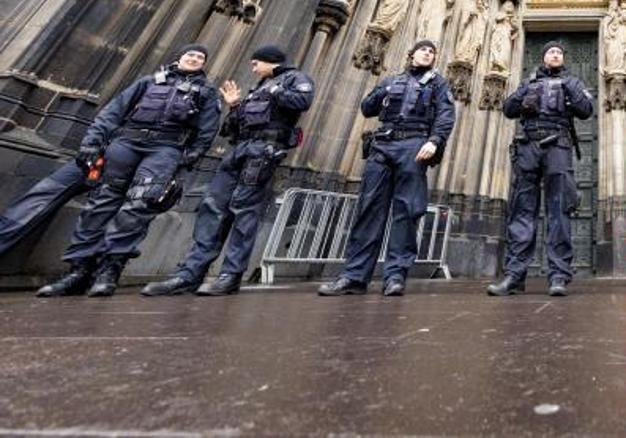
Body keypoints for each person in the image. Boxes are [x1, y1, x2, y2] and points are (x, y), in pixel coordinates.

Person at [37, 45, 221, 297]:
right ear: (180, 56)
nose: (195, 58)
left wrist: (191, 155)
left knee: (138, 207)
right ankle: (77, 271)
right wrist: (92, 142)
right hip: (126, 144)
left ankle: (109, 271)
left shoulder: (207, 92)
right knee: (100, 202)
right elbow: (114, 111)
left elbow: (208, 127)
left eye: (201, 57)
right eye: (191, 54)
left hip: (166, 148)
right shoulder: (148, 81)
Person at [142, 45, 314, 296]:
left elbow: (302, 101)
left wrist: (276, 88)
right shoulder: (259, 87)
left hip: (263, 152)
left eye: (256, 63)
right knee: (212, 208)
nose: (253, 68)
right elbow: (239, 125)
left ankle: (230, 276)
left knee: (244, 212)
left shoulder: (295, 78)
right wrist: (235, 106)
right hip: (240, 149)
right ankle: (189, 274)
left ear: (270, 62)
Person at [319, 40, 455, 297]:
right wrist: (382, 90)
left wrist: (434, 141)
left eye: (432, 51)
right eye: (423, 49)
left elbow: (446, 115)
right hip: (383, 144)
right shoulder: (391, 80)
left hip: (414, 144)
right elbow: (367, 108)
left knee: (407, 210)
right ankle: (354, 276)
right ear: (411, 53)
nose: (428, 53)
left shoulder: (439, 84)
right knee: (369, 208)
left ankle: (395, 276)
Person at [488, 40, 594, 297]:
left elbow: (586, 110)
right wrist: (524, 93)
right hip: (528, 147)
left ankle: (558, 275)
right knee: (522, 209)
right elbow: (509, 109)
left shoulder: (573, 83)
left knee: (559, 210)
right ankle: (514, 275)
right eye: (551, 52)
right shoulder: (529, 82)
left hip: (558, 144)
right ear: (543, 57)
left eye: (559, 52)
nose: (555, 55)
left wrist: (570, 87)